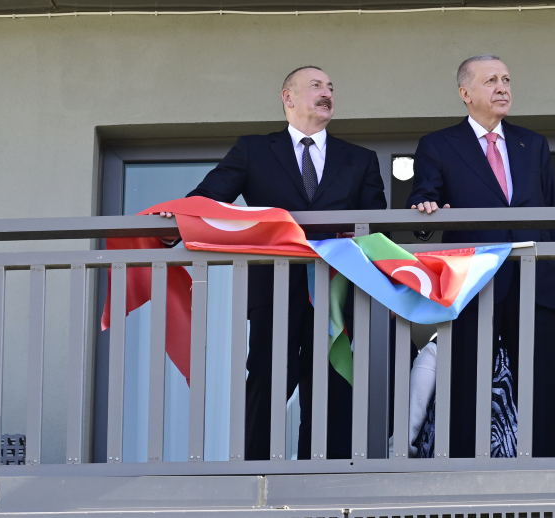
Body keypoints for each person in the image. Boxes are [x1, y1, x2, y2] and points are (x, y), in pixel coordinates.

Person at [163, 66, 387, 460]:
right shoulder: (254, 149)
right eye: (316, 85)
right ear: (288, 97)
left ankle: (324, 473)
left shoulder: (360, 159)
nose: (327, 93)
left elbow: (376, 225)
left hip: (336, 290)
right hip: (274, 288)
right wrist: (173, 221)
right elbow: (210, 197)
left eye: (331, 87)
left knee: (332, 383)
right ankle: (254, 471)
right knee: (268, 379)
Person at [406, 54, 555, 458]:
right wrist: (425, 209)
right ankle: (463, 469)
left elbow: (552, 215)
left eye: (506, 79)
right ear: (466, 93)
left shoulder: (533, 143)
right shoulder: (439, 144)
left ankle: (543, 469)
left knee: (540, 382)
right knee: (466, 380)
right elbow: (423, 199)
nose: (502, 88)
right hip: (473, 281)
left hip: (534, 279)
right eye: (491, 80)